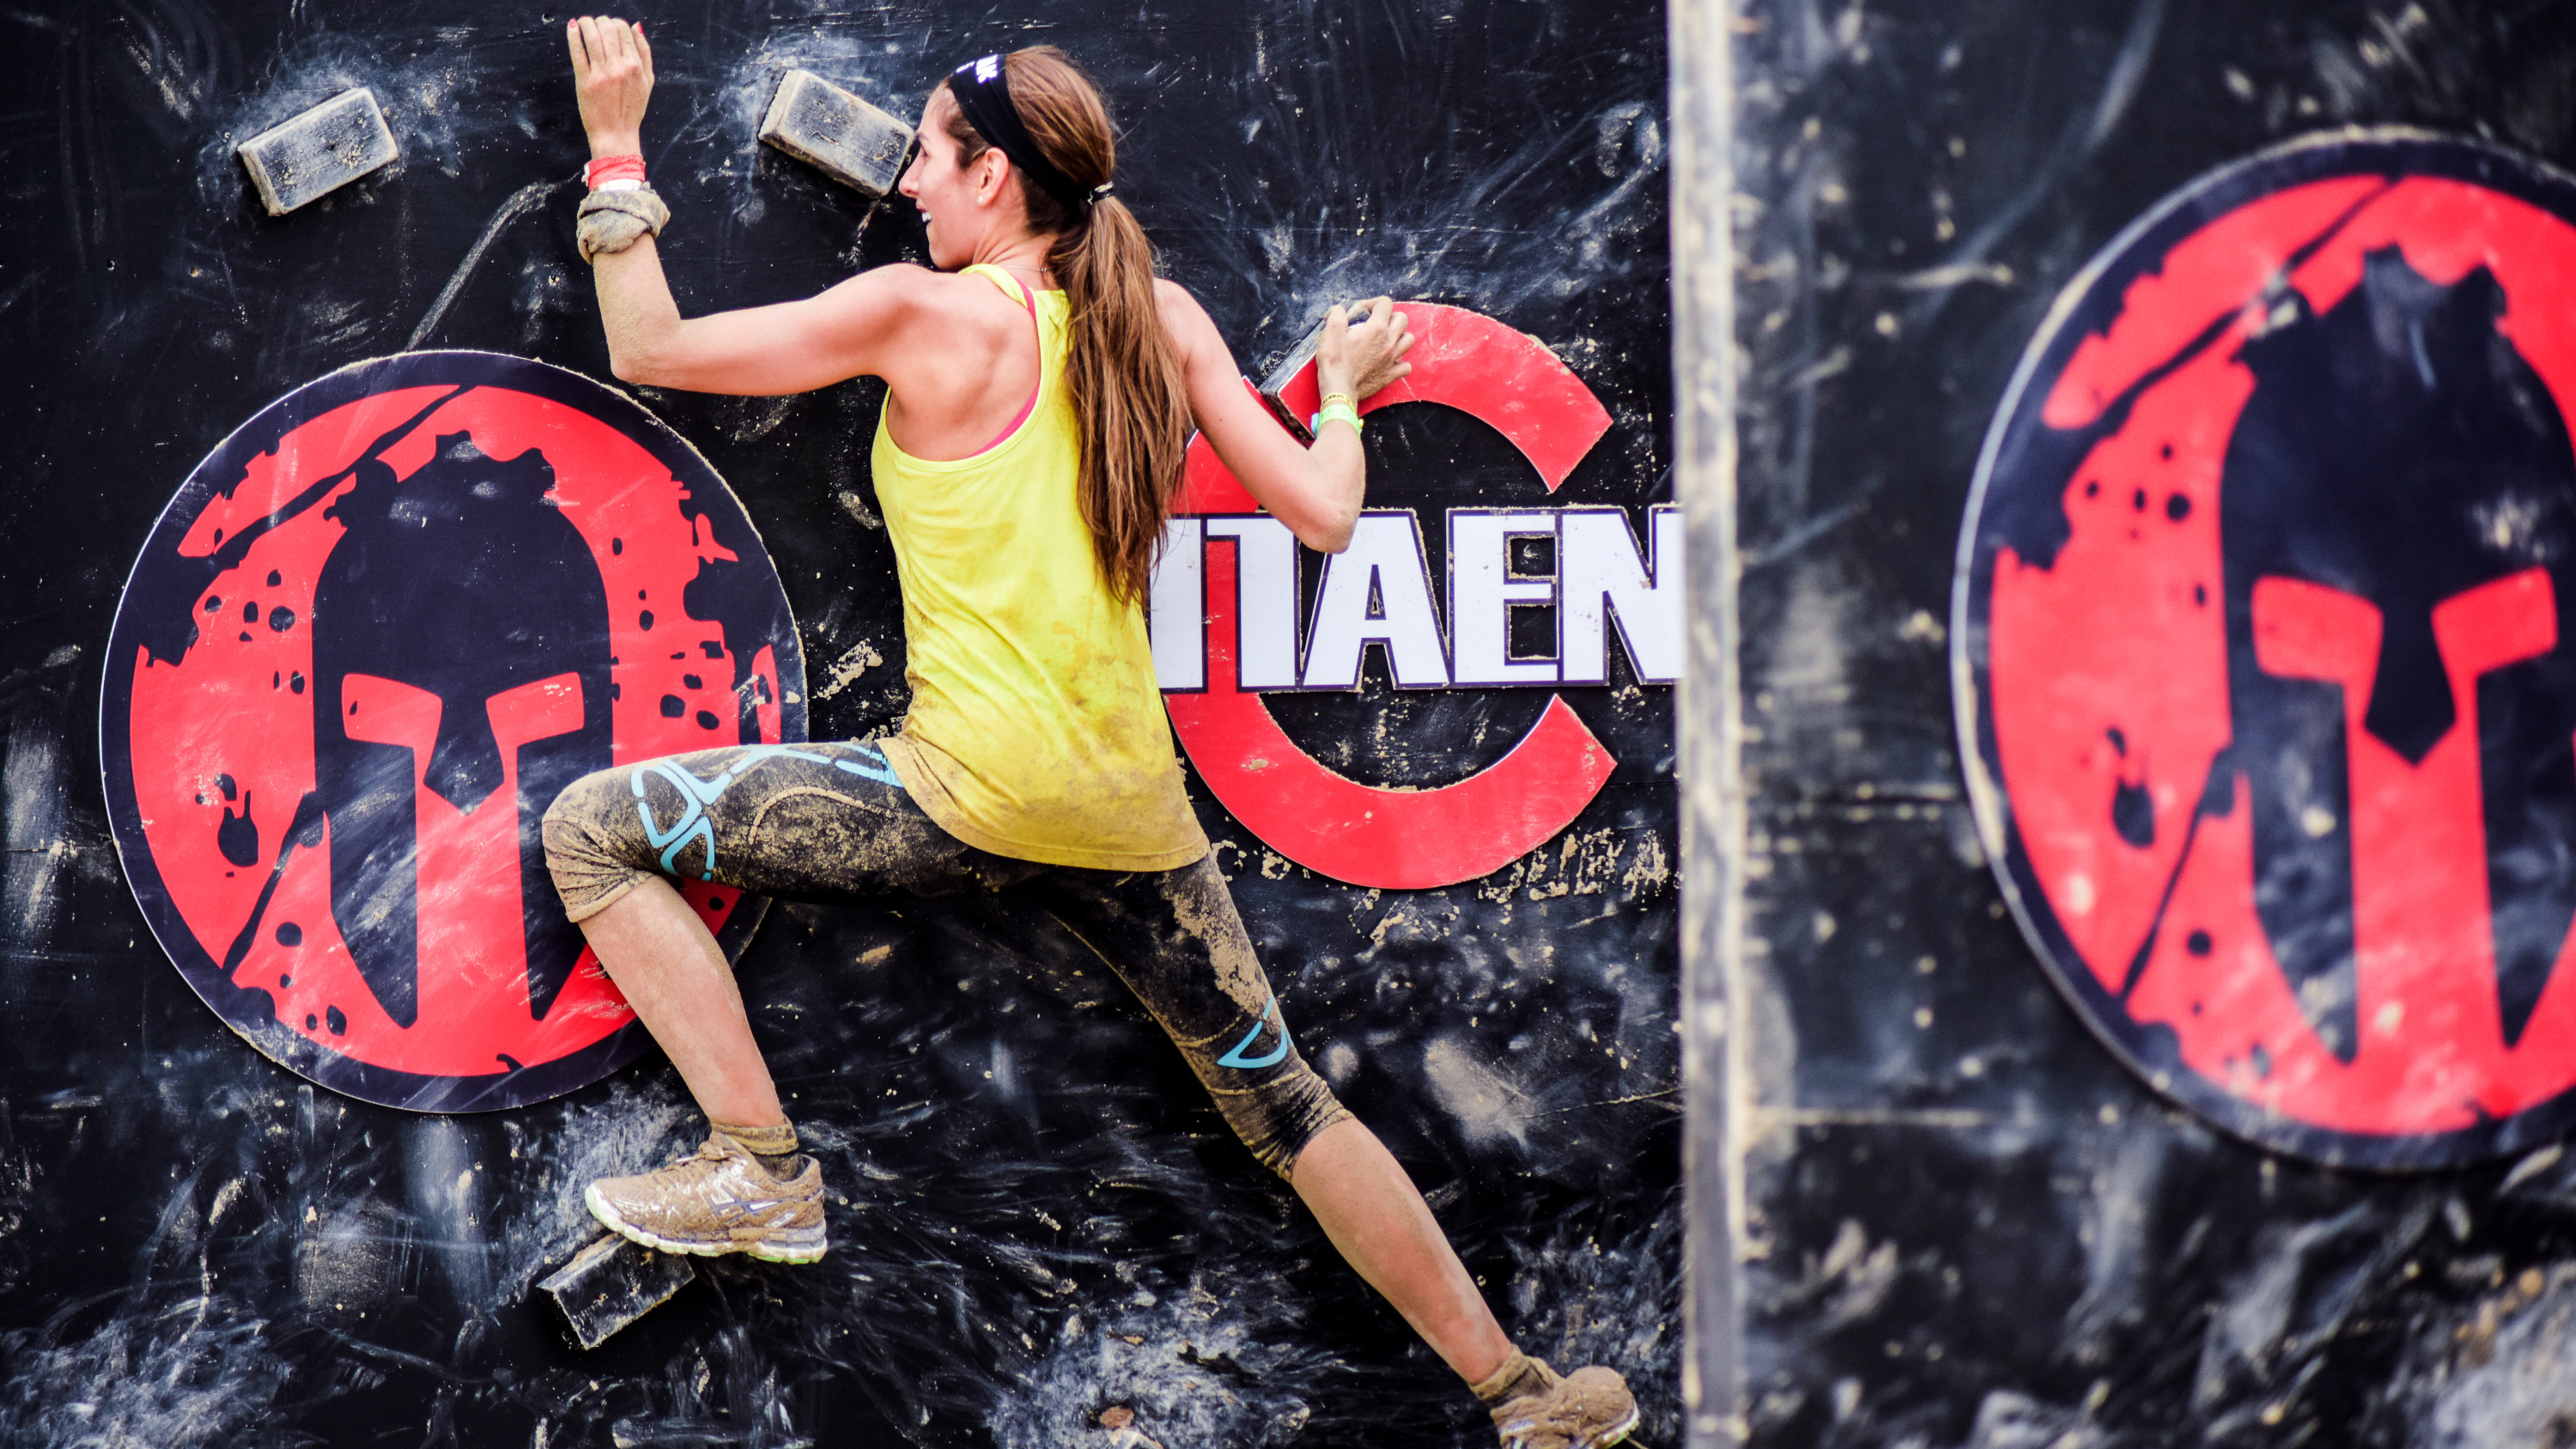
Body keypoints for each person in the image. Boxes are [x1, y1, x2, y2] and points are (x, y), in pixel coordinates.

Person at [546, 20, 1637, 1447]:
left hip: (967, 798)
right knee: (1290, 1110)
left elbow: (652, 344)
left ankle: (761, 1165)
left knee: (592, 833)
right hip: (1134, 820)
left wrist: (616, 141)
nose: (914, 186)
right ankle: (1523, 1394)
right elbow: (1323, 515)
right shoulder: (1160, 319)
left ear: (995, 176)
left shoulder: (927, 316)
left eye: (935, 159)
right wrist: (1346, 390)